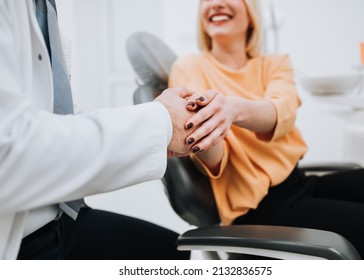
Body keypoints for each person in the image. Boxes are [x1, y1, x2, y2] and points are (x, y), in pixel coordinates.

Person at [168, 0, 364, 259]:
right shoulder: (190, 67)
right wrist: (206, 132)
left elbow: (283, 110)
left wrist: (232, 110)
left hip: (298, 184)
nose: (216, 4)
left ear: (251, 14)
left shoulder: (274, 63)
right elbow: (214, 158)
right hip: (257, 211)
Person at [0, 0, 214, 260]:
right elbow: (8, 151)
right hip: (19, 234)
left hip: (64, 215)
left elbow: (62, 118)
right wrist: (161, 124)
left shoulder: (46, 13)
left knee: (175, 255)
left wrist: (160, 131)